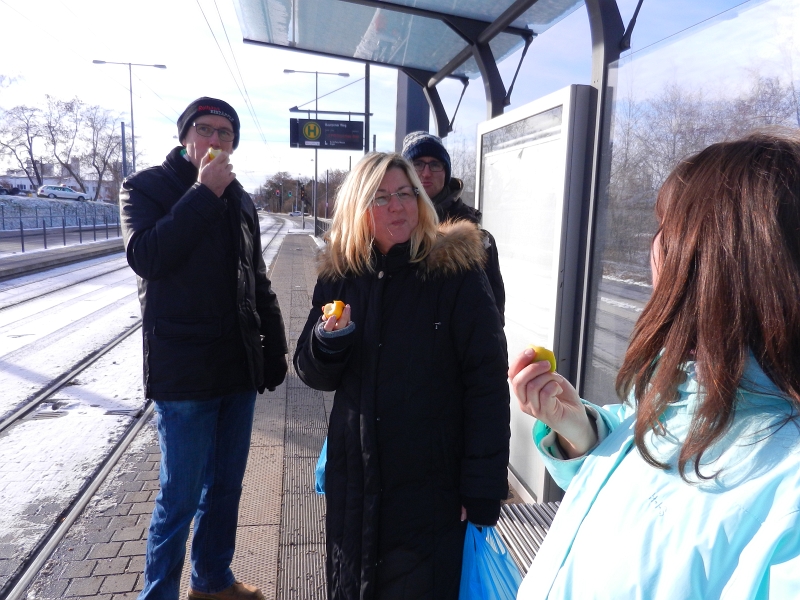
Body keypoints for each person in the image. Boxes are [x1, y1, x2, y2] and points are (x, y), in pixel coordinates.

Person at [508, 130, 800, 599]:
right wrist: (580, 429)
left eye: (668, 230)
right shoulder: (679, 392)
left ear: (718, 262)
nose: (653, 249)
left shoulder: (787, 497)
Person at [294, 152, 510, 600]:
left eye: (405, 194)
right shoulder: (341, 275)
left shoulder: (456, 274)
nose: (398, 206)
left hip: (429, 487)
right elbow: (310, 371)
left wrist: (484, 485)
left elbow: (486, 383)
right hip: (354, 479)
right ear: (358, 207)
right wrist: (327, 342)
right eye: (381, 197)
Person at [120, 97, 288, 600]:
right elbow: (146, 256)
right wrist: (201, 194)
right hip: (185, 372)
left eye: (225, 134)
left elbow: (255, 278)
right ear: (184, 136)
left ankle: (213, 581)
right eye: (206, 130)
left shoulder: (241, 199)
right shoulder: (145, 187)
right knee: (179, 495)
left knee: (226, 490)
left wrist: (274, 346)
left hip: (236, 367)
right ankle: (160, 593)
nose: (216, 141)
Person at [401, 131, 505, 322]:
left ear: (446, 172)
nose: (426, 172)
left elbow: (493, 311)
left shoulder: (475, 237)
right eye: (417, 163)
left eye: (435, 164)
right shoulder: (389, 225)